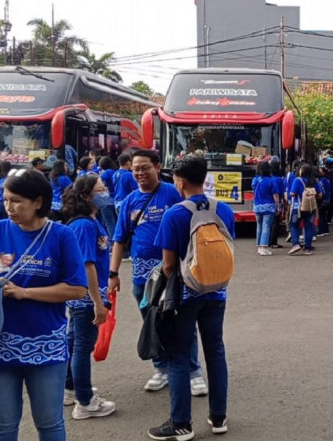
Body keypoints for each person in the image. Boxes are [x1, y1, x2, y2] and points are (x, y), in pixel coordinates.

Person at [148, 155, 234, 440]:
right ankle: (219, 417)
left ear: (180, 181)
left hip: (184, 295)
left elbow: (169, 263)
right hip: (217, 291)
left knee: (179, 356)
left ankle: (181, 424)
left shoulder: (174, 214)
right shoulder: (224, 210)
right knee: (216, 351)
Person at [108, 149, 206, 395]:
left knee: (182, 322)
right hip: (143, 278)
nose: (140, 173)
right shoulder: (130, 200)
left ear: (157, 166)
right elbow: (119, 240)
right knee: (152, 323)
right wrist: (113, 273)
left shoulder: (173, 193)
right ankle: (161, 369)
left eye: (145, 167)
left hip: (174, 273)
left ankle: (193, 372)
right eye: (135, 169)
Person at [0, 169, 87, 440]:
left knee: (49, 423)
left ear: (38, 202)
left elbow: (76, 288)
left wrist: (26, 293)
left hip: (46, 345)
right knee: (4, 425)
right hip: (2, 343)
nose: (9, 207)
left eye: (16, 201)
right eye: (5, 200)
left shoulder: (61, 235)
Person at [61, 174, 117, 419]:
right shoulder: (83, 225)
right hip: (86, 297)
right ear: (86, 196)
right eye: (100, 189)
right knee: (83, 346)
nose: (105, 193)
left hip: (86, 295)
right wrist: (97, 303)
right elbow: (87, 266)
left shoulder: (92, 221)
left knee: (74, 343)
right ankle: (85, 402)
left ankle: (72, 388)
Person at [288, 164, 322, 255]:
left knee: (294, 225)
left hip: (298, 207)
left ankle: (296, 244)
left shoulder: (297, 180)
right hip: (311, 207)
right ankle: (308, 248)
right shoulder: (314, 181)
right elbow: (320, 195)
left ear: (302, 171)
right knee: (309, 226)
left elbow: (292, 193)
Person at [252, 161, 279, 256]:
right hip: (269, 206)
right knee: (266, 226)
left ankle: (259, 246)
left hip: (257, 205)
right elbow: (275, 195)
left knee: (259, 225)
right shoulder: (271, 180)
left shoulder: (255, 180)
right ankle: (264, 247)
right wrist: (278, 206)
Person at [96, 156, 118, 240]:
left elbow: (99, 181)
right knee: (116, 222)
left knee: (109, 223)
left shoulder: (105, 173)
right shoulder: (116, 172)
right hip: (115, 199)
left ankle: (113, 241)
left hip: (106, 199)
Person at [269, 157, 285, 248]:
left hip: (268, 202)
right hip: (276, 202)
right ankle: (273, 242)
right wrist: (281, 205)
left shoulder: (268, 178)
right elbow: (281, 193)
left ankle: (266, 241)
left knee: (268, 224)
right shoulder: (279, 179)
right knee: (276, 223)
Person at [323, 158, 333, 226]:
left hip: (326, 190)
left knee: (325, 205)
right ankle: (329, 219)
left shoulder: (325, 172)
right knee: (331, 206)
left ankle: (325, 219)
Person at [317, 167, 332, 237]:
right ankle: (326, 230)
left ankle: (321, 230)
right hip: (327, 200)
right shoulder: (327, 180)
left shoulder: (321, 181)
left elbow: (322, 192)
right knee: (323, 215)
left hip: (323, 200)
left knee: (321, 216)